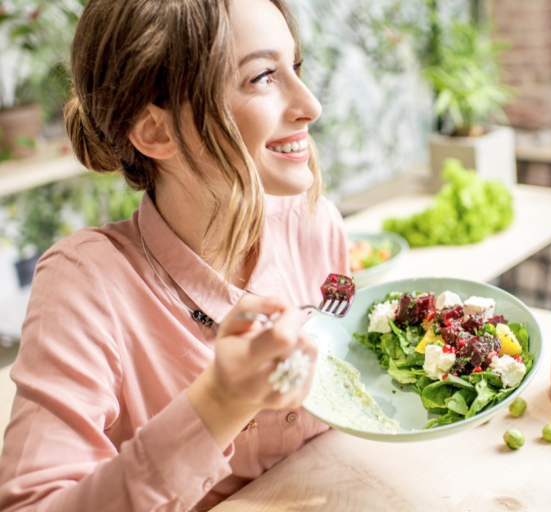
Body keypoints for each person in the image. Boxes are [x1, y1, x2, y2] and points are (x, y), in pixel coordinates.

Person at [0, 0, 350, 510]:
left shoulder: (317, 223)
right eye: (262, 77)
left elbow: (347, 341)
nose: (311, 104)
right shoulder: (83, 285)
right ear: (156, 131)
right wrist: (220, 403)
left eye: (294, 67)